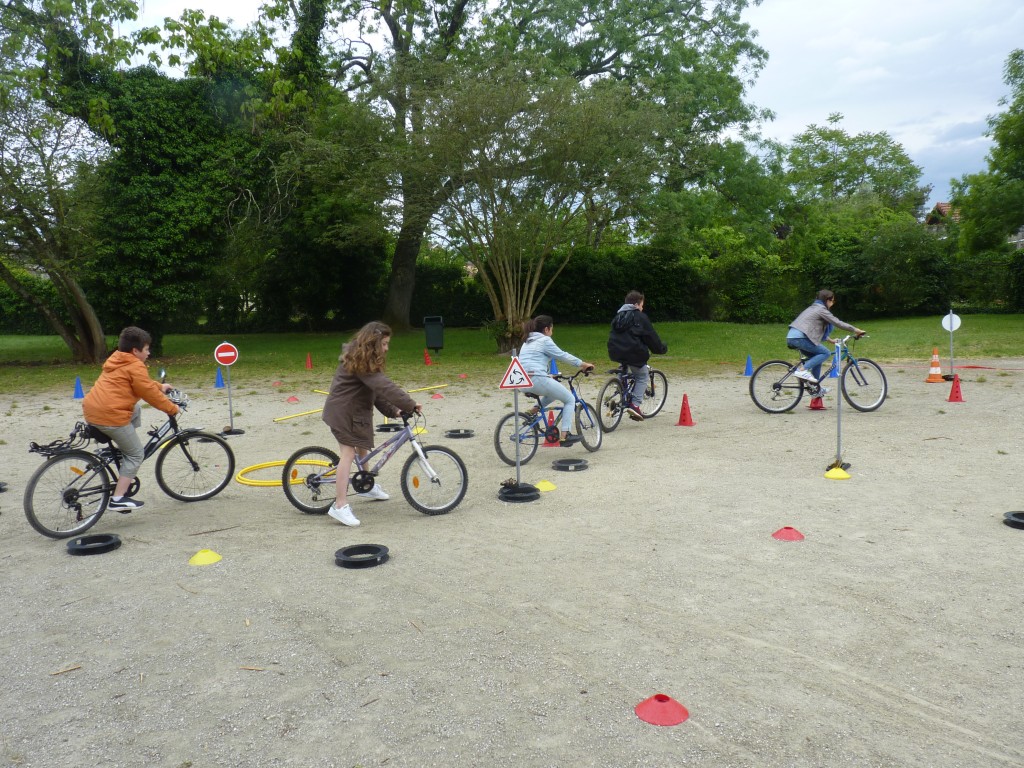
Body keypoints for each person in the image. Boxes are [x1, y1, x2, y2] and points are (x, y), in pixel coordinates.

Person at [321, 321, 421, 527]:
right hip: (343, 412)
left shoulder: (364, 361)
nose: (386, 348)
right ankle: (339, 506)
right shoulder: (360, 362)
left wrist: (395, 410)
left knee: (363, 445)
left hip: (356, 412)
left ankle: (366, 484)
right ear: (373, 343)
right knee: (348, 454)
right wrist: (409, 403)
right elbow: (385, 386)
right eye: (384, 344)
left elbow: (376, 393)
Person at [82, 326, 180, 511]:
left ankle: (124, 447)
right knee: (136, 454)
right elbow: (148, 394)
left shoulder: (118, 359)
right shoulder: (135, 365)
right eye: (146, 349)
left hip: (93, 410)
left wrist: (160, 386)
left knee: (135, 408)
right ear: (135, 351)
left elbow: (142, 384)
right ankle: (117, 498)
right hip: (110, 416)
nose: (149, 352)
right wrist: (172, 408)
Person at [517, 315, 595, 446]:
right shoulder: (544, 340)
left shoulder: (527, 341)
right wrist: (583, 364)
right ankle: (565, 435)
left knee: (553, 393)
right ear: (547, 329)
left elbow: (531, 362)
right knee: (570, 399)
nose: (552, 332)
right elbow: (562, 355)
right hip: (537, 380)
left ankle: (533, 411)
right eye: (552, 329)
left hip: (523, 381)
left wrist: (548, 376)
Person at [607, 290, 668, 421]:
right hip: (633, 353)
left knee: (624, 368)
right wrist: (661, 349)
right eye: (641, 305)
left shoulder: (618, 316)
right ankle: (634, 405)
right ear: (636, 305)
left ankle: (617, 390)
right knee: (642, 375)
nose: (642, 308)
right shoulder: (640, 317)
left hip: (615, 351)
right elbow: (650, 337)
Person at [787, 289, 866, 383]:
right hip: (800, 338)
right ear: (828, 300)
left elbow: (811, 328)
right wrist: (856, 330)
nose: (833, 303)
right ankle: (802, 371)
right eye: (833, 301)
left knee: (817, 357)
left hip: (793, 337)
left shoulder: (813, 307)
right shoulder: (821, 309)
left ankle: (815, 386)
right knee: (826, 353)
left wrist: (831, 340)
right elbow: (837, 322)